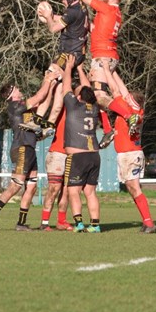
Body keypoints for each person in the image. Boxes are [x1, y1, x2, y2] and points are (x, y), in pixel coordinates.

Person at [0, 69, 61, 231]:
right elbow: (39, 96)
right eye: (16, 88)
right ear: (11, 94)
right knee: (15, 186)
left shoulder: (25, 110)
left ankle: (21, 223)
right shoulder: (15, 107)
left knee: (31, 187)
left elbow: (43, 102)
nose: (19, 89)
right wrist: (48, 79)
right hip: (21, 149)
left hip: (30, 149)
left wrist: (52, 86)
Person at [76, 0, 140, 142]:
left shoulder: (108, 9)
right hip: (108, 55)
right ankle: (107, 128)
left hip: (103, 56)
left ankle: (128, 115)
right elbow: (95, 30)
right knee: (96, 94)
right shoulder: (115, 14)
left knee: (98, 95)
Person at [32, 0, 89, 131]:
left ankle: (37, 119)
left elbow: (53, 29)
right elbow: (69, 20)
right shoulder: (82, 7)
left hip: (68, 54)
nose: (62, 1)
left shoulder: (71, 11)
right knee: (59, 89)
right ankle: (50, 124)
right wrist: (52, 17)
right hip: (78, 54)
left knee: (49, 78)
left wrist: (48, 16)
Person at [60, 54, 102, 233]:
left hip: (78, 157)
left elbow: (66, 87)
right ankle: (95, 225)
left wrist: (69, 68)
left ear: (78, 97)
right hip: (94, 156)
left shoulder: (74, 106)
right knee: (90, 192)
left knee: (73, 191)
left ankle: (78, 224)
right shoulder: (95, 108)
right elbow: (87, 89)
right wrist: (80, 68)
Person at [112, 92, 156, 233]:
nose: (125, 98)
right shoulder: (131, 112)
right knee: (132, 188)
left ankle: (149, 223)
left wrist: (107, 75)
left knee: (134, 188)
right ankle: (147, 221)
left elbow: (116, 90)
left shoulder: (133, 113)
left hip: (130, 154)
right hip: (129, 154)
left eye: (128, 98)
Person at [38, 90, 73, 231]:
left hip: (72, 154)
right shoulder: (62, 107)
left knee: (67, 190)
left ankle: (61, 221)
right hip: (57, 153)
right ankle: (44, 223)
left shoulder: (81, 109)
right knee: (54, 188)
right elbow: (56, 103)